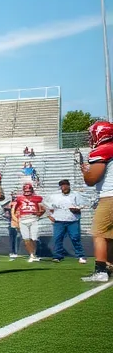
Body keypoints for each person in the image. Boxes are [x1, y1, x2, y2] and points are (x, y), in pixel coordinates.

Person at [77, 119, 113, 282]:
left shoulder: (103, 150)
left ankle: (101, 271)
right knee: (109, 235)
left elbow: (92, 179)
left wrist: (86, 172)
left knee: (99, 234)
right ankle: (109, 265)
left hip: (109, 197)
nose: (90, 138)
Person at [44, 178, 87, 263]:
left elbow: (83, 204)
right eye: (62, 185)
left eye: (66, 185)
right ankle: (57, 256)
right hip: (59, 220)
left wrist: (78, 209)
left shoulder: (76, 195)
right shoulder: (54, 196)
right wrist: (49, 215)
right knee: (57, 238)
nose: (64, 187)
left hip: (73, 219)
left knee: (75, 238)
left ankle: (80, 255)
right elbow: (45, 205)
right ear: (60, 187)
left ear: (69, 186)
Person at [10, 181, 45, 262]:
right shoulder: (19, 198)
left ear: (32, 191)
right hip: (23, 219)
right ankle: (32, 255)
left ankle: (34, 254)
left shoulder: (38, 198)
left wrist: (38, 214)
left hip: (33, 219)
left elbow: (43, 209)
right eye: (26, 191)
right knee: (26, 239)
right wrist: (16, 219)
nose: (27, 193)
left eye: (29, 191)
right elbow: (13, 209)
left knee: (34, 238)